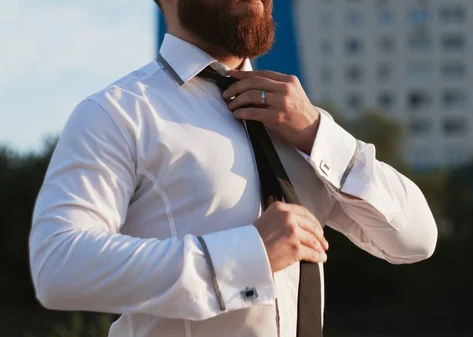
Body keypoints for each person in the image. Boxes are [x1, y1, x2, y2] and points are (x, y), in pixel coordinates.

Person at [28, 0, 438, 336]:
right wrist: (245, 256)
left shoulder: (298, 122)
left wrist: (317, 133)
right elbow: (59, 265)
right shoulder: (116, 113)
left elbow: (416, 239)